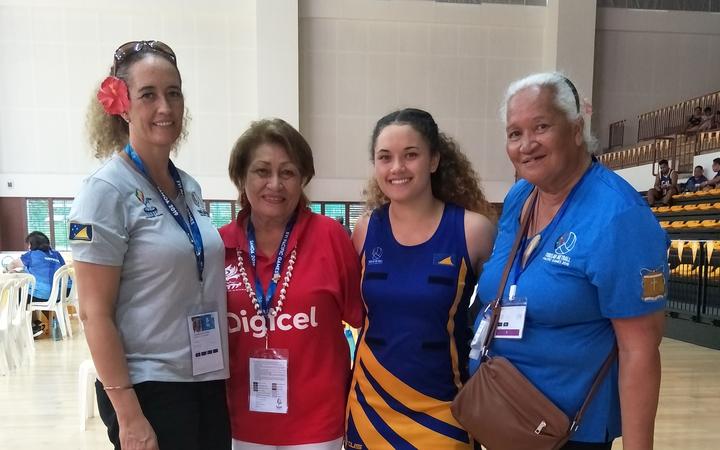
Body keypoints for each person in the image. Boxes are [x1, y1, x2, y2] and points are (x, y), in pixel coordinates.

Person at [468, 72, 666, 450]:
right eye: (514, 133)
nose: (526, 145)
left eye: (541, 126)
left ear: (576, 129)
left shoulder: (618, 217)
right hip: (500, 411)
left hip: (566, 431)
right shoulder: (521, 196)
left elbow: (640, 350)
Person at [69, 40, 230, 450]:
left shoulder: (187, 187)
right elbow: (93, 314)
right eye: (148, 95)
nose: (165, 107)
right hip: (148, 387)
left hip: (205, 375)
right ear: (122, 105)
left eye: (174, 93)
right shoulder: (105, 191)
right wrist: (128, 414)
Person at [344, 108, 497, 449]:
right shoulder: (365, 230)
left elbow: (498, 317)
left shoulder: (473, 231)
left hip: (445, 413)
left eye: (410, 155)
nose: (397, 167)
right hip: (370, 408)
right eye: (385, 157)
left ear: (434, 160)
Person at [221, 118, 364, 450]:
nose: (275, 184)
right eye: (262, 171)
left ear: (303, 180)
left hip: (317, 426)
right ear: (241, 178)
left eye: (287, 173)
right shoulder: (220, 246)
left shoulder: (330, 237)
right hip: (240, 422)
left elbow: (363, 322)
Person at [8, 231, 67, 337]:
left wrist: (11, 270)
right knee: (30, 291)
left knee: (20, 291)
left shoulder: (31, 255)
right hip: (59, 295)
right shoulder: (57, 254)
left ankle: (30, 326)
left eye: (29, 244)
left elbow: (11, 264)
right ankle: (36, 324)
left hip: (42, 296)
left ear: (32, 244)